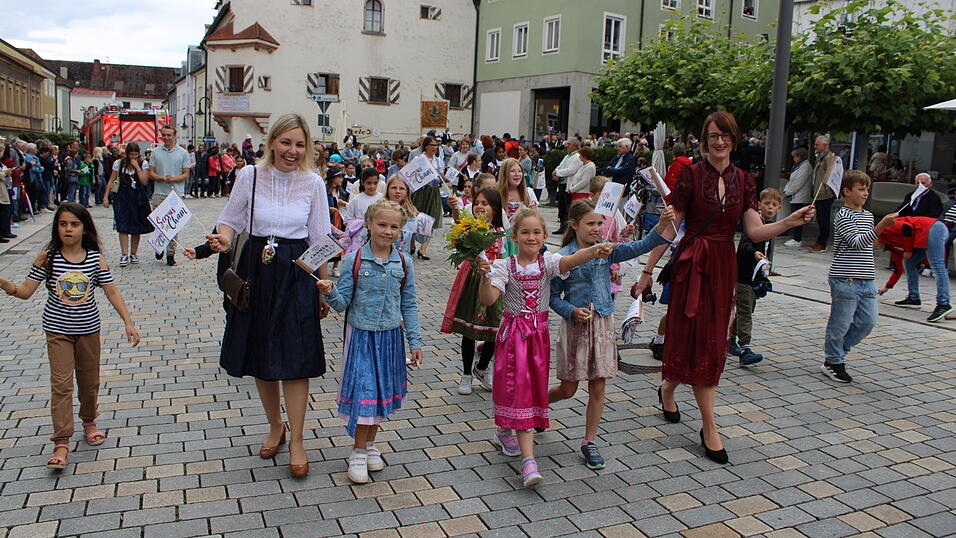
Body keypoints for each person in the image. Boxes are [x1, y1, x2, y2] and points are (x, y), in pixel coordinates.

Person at [654, 112, 814, 464]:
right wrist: (646, 269)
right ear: (703, 139)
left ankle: (668, 387)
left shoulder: (745, 180)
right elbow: (671, 227)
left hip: (724, 265)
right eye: (712, 135)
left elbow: (754, 231)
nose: (719, 141)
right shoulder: (690, 175)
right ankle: (709, 426)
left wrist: (789, 221)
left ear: (735, 138)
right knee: (691, 337)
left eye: (724, 135)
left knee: (712, 341)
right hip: (691, 265)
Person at [205, 113, 332, 478]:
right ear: (271, 141)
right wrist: (224, 240)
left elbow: (320, 238)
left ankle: (297, 440)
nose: (291, 151)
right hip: (257, 268)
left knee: (295, 356)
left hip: (297, 270)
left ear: (307, 148)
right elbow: (230, 220)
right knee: (262, 352)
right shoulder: (250, 175)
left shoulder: (313, 183)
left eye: (299, 144)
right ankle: (275, 425)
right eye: (285, 142)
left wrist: (323, 287)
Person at [478, 208, 613, 487]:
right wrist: (485, 276)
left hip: (538, 338)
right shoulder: (505, 266)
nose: (531, 237)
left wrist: (595, 250)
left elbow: (573, 259)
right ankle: (529, 462)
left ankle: (505, 430)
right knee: (520, 391)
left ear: (544, 236)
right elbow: (489, 300)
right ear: (514, 236)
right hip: (514, 337)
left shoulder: (547, 263)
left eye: (537, 232)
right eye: (525, 232)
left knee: (528, 389)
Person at [0, 203, 140, 470]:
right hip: (57, 331)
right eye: (63, 224)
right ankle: (61, 441)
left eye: (74, 224)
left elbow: (111, 291)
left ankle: (89, 420)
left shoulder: (94, 258)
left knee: (89, 383)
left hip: (88, 330)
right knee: (62, 385)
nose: (68, 229)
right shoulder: (48, 257)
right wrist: (6, 284)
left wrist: (128, 322)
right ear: (56, 227)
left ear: (84, 227)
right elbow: (27, 291)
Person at [549, 200, 675, 469]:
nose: (597, 228)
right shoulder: (564, 257)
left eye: (599, 223)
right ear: (574, 225)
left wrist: (663, 224)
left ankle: (589, 441)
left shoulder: (607, 251)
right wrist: (571, 311)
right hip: (576, 329)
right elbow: (552, 297)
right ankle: (535, 406)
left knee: (598, 385)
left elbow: (639, 247)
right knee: (569, 389)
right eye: (590, 223)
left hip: (602, 324)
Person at [316, 200, 422, 484]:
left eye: (394, 226)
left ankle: (370, 444)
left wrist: (415, 341)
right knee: (366, 394)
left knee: (379, 396)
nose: (387, 231)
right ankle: (358, 452)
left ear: (401, 230)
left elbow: (409, 305)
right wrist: (329, 291)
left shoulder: (404, 262)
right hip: (361, 337)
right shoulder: (354, 259)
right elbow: (342, 304)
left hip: (390, 339)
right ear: (369, 225)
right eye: (382, 225)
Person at [823, 171, 897, 382]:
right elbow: (856, 242)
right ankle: (833, 360)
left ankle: (838, 352)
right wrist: (882, 226)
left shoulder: (867, 215)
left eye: (867, 189)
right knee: (840, 323)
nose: (865, 193)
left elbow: (869, 243)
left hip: (867, 279)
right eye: (861, 189)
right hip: (845, 278)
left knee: (868, 322)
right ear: (847, 192)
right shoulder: (842, 215)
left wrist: (883, 237)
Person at [441, 188, 505, 394]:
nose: (480, 206)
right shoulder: (469, 228)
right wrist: (455, 210)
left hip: (495, 280)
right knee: (469, 329)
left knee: (496, 328)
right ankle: (466, 374)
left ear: (495, 208)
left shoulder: (501, 233)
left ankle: (483, 367)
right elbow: (460, 224)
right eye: (477, 202)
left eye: (485, 203)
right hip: (472, 279)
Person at [729, 188, 783, 366]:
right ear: (759, 205)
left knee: (746, 309)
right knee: (745, 311)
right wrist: (755, 254)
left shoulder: (768, 225)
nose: (770, 208)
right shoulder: (755, 223)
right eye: (767, 203)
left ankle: (730, 340)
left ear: (779, 208)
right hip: (743, 276)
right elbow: (744, 246)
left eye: (774, 205)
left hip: (754, 277)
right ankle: (745, 348)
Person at [878, 215, 953, 321]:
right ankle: (914, 298)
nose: (872, 248)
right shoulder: (890, 245)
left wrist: (908, 250)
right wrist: (887, 287)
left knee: (937, 266)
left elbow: (907, 227)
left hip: (933, 228)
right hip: (926, 233)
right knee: (909, 263)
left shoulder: (884, 229)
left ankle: (943, 303)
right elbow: (898, 269)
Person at [103, 143, 154, 268]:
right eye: (131, 154)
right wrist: (105, 197)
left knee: (136, 226)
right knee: (123, 225)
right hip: (123, 196)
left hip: (138, 197)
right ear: (127, 154)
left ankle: (133, 253)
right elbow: (111, 180)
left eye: (136, 154)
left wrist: (137, 167)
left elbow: (144, 181)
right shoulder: (119, 164)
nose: (133, 157)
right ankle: (124, 253)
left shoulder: (143, 164)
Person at [147, 125, 191, 266]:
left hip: (176, 193)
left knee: (173, 225)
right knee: (159, 223)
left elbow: (186, 174)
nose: (166, 138)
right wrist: (161, 178)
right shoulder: (155, 152)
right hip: (160, 192)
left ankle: (170, 254)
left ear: (174, 136)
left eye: (169, 135)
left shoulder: (183, 153)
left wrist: (174, 179)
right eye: (164, 135)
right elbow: (151, 172)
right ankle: (159, 245)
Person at [409, 136, 445, 260]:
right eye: (432, 145)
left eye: (436, 145)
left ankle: (423, 248)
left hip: (433, 191)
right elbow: (412, 175)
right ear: (426, 146)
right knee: (416, 216)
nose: (435, 148)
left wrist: (441, 176)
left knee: (431, 217)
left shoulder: (438, 160)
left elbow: (441, 175)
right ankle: (412, 242)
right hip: (420, 191)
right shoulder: (419, 158)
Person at [808, 135, 838, 253]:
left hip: (825, 193)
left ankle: (823, 243)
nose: (815, 146)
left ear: (825, 145)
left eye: (817, 144)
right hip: (818, 192)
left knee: (823, 218)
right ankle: (820, 240)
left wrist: (827, 189)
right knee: (820, 218)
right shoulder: (821, 157)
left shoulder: (829, 158)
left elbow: (829, 176)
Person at [783, 147, 813, 247]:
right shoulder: (799, 166)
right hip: (795, 196)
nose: (793, 159)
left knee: (797, 217)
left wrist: (789, 192)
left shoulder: (805, 166)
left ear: (799, 156)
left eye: (794, 156)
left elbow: (798, 182)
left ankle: (797, 238)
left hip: (799, 196)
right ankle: (796, 237)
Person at [552, 137, 582, 233]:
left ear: (574, 145)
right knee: (561, 206)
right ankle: (562, 226)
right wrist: (556, 172)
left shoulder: (577, 157)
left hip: (569, 185)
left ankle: (568, 228)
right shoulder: (567, 156)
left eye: (569, 144)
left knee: (567, 207)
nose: (566, 146)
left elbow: (571, 170)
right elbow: (560, 166)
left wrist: (557, 173)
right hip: (562, 183)